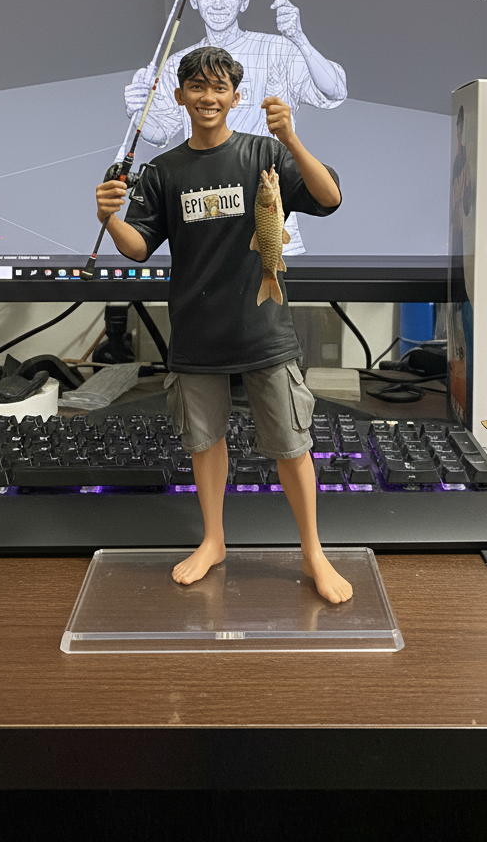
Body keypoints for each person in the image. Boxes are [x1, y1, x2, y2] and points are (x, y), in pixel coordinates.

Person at [96, 45, 353, 604]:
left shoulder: (264, 155)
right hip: (196, 335)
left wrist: (291, 138)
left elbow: (329, 198)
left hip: (265, 333)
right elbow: (138, 248)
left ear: (236, 97)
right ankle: (213, 540)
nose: (208, 97)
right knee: (204, 442)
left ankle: (313, 551)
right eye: (197, 87)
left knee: (291, 445)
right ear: (179, 95)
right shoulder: (163, 171)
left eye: (219, 88)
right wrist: (109, 218)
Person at [121, 0, 347, 254]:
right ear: (195, 0)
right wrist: (137, 110)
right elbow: (160, 131)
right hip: (205, 222)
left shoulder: (277, 48)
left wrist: (299, 38)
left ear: (243, 1)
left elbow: (335, 92)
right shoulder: (178, 63)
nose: (218, 3)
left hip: (270, 225)